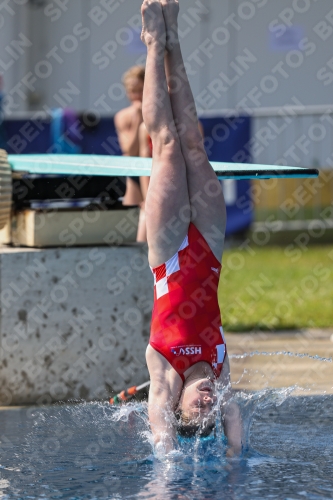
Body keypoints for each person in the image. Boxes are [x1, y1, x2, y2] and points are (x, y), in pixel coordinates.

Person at [141, 0, 242, 456]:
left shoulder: (163, 371)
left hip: (167, 253)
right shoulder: (220, 372)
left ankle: (152, 44)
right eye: (210, 409)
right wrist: (235, 459)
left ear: (177, 404)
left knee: (166, 145)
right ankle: (176, 41)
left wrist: (165, 477)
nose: (205, 402)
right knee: (194, 146)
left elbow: (160, 432)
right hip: (211, 246)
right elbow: (234, 421)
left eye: (193, 410)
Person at [114, 66, 150, 242]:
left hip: (154, 171)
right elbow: (131, 151)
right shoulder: (124, 117)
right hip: (135, 171)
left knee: (152, 214)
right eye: (132, 91)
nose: (136, 96)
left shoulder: (162, 114)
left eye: (140, 91)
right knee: (132, 220)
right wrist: (138, 117)